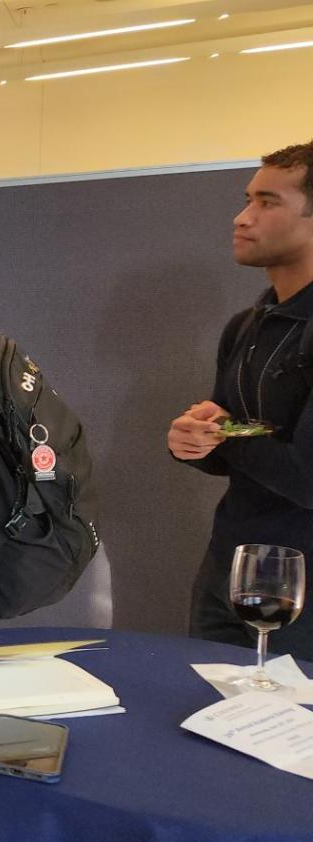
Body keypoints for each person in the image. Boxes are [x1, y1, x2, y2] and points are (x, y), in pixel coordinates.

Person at [169, 140, 313, 661]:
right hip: (229, 569)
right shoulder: (246, 326)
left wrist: (227, 433)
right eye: (248, 199)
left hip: (302, 594)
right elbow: (231, 456)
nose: (242, 217)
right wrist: (194, 439)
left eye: (267, 202)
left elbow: (306, 476)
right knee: (209, 720)